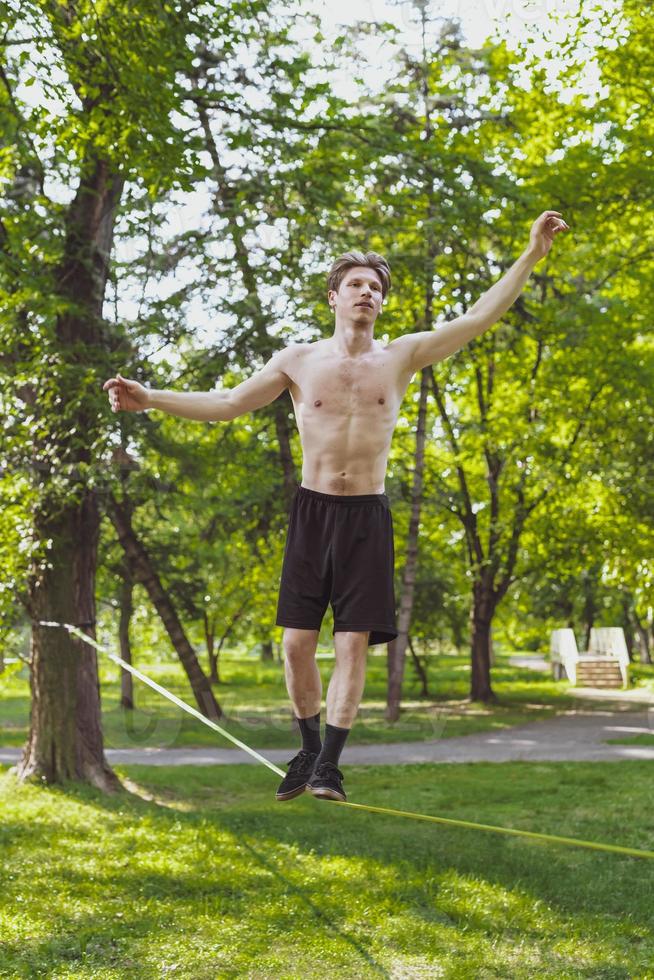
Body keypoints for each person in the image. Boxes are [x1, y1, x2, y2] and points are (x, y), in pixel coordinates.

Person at [104, 210, 569, 803]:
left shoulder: (400, 357)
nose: (367, 293)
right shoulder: (298, 361)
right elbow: (226, 402)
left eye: (375, 288)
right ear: (333, 296)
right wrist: (152, 400)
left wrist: (531, 254)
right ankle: (307, 747)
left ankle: (330, 766)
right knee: (297, 645)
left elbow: (479, 317)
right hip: (313, 512)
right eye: (356, 284)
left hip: (366, 519)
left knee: (352, 644)